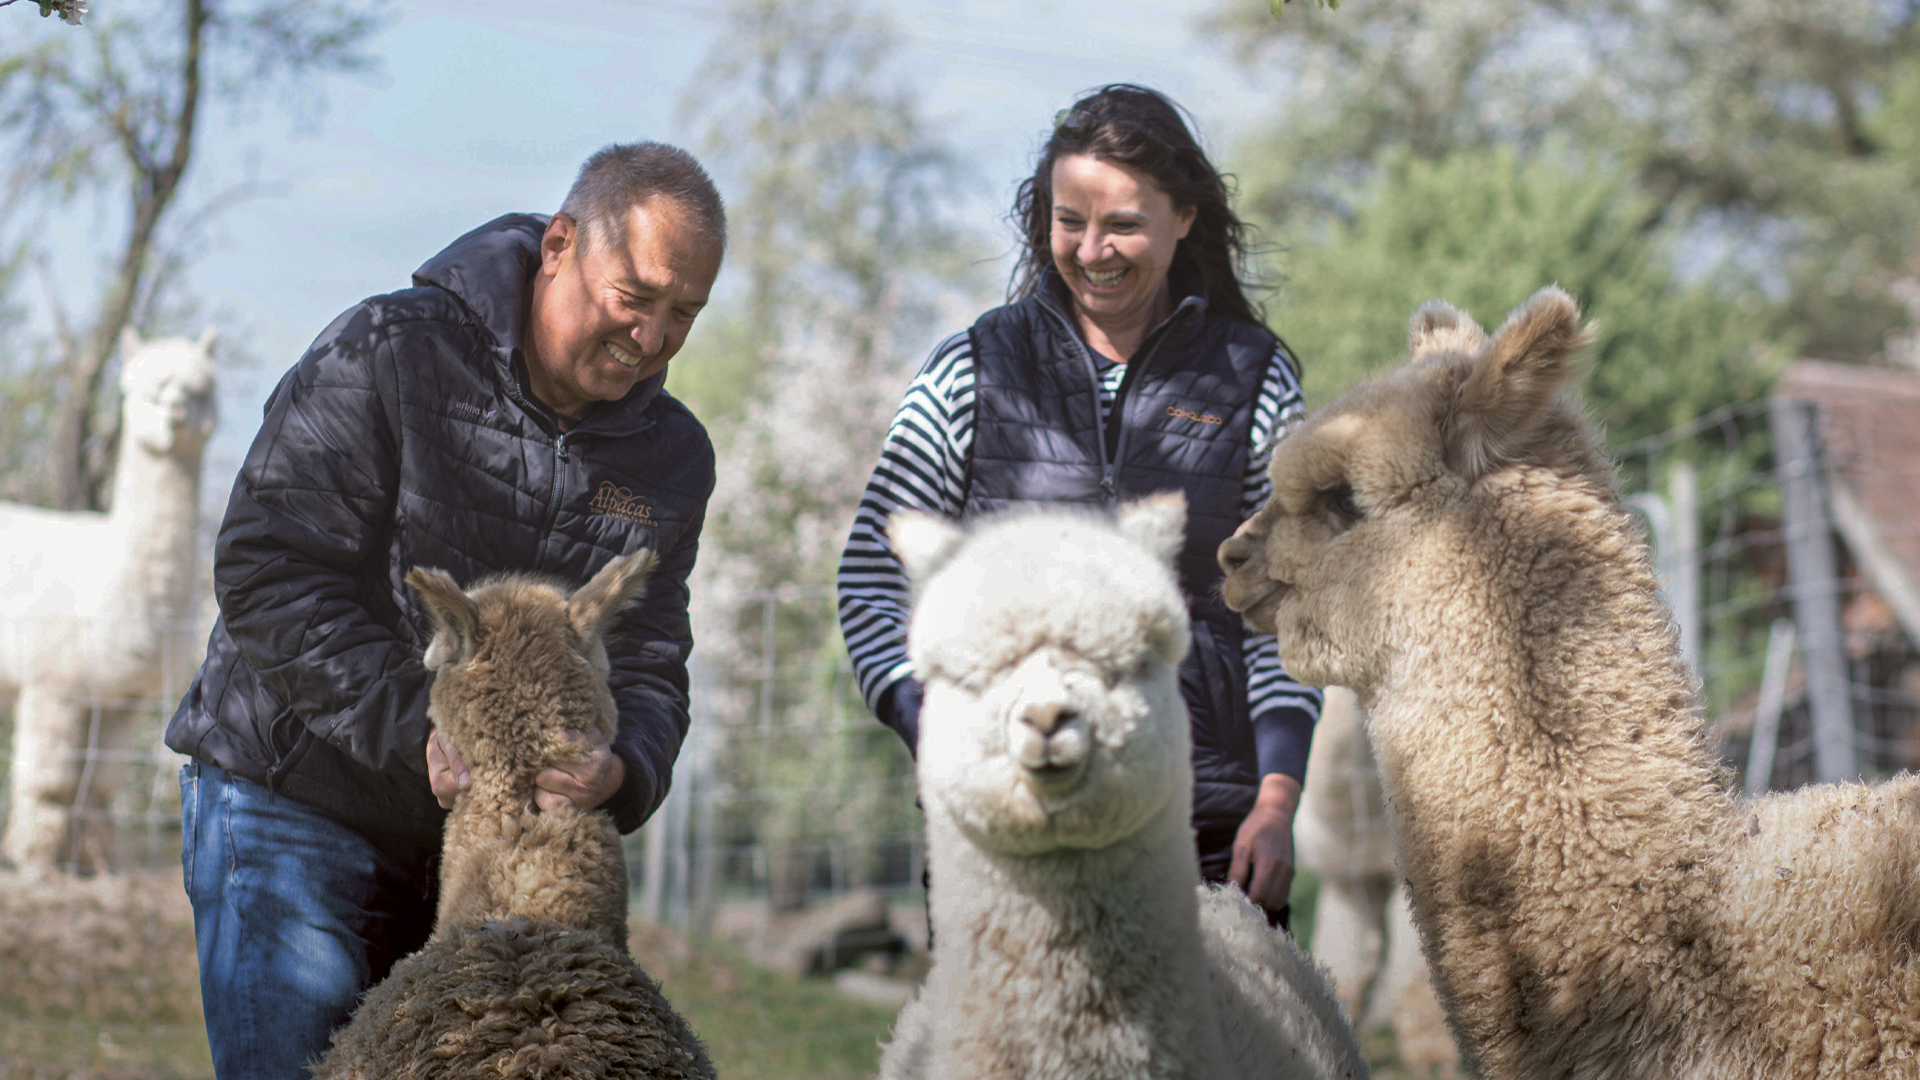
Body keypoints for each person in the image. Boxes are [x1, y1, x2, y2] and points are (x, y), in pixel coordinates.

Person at [164, 141, 726, 1079]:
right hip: (300, 800)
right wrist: (415, 727)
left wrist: (624, 770)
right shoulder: (388, 350)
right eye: (637, 297)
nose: (656, 336)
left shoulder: (670, 456)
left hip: (482, 849)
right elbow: (271, 568)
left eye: (686, 313)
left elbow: (651, 654)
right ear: (558, 246)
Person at [837, 85, 1320, 927]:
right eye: (1070, 221)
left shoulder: (1256, 379)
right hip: (1008, 832)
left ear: (1185, 219)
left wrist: (1276, 799)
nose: (1093, 250)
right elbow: (874, 576)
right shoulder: (971, 369)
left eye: (1124, 224)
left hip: (1206, 836)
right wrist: (935, 728)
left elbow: (1287, 604)